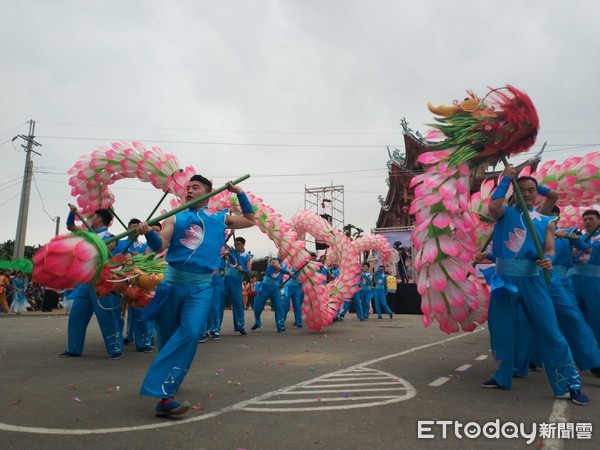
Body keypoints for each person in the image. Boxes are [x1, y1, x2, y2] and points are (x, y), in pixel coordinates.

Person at [136, 175, 255, 416]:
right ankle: (166, 393)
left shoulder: (220, 218)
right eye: (187, 187)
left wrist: (239, 193)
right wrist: (148, 233)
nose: (189, 190)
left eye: (195, 187)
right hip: (170, 286)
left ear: (209, 193)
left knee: (191, 332)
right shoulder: (175, 216)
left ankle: (162, 391)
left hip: (201, 288)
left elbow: (250, 220)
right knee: (168, 339)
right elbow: (160, 246)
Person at [482, 165, 589, 405]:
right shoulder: (504, 214)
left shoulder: (545, 220)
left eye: (531, 190)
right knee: (501, 331)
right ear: (515, 192)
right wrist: (506, 180)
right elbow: (493, 206)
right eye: (522, 190)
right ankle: (502, 376)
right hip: (503, 282)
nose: (527, 194)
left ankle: (569, 384)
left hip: (534, 281)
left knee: (550, 331)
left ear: (536, 193)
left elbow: (549, 249)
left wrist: (548, 260)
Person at [59, 205, 124, 360]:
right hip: (85, 282)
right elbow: (70, 226)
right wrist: (72, 213)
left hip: (101, 283)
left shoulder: (111, 238)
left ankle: (115, 349)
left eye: (92, 216)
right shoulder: (87, 233)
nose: (88, 218)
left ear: (99, 218)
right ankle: (74, 348)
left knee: (106, 316)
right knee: (76, 315)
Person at [571, 209, 600, 343]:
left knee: (594, 313)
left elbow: (591, 251)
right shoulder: (578, 238)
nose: (587, 222)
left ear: (598, 221)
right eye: (585, 219)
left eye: (591, 219)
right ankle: (582, 344)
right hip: (575, 279)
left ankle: (595, 346)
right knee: (576, 313)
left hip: (594, 280)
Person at [251, 248, 290, 333]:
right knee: (257, 306)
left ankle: (281, 326)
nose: (281, 254)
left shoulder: (285, 265)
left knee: (279, 307)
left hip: (275, 289)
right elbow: (278, 268)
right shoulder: (273, 260)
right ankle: (257, 321)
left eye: (283, 253)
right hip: (266, 287)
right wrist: (289, 273)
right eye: (280, 252)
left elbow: (280, 276)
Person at [223, 236, 253, 335]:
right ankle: (214, 328)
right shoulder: (231, 251)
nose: (236, 245)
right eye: (235, 243)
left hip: (236, 280)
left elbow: (249, 272)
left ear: (243, 244)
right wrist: (231, 233)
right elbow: (223, 242)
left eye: (238, 244)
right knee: (218, 302)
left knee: (238, 304)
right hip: (225, 279)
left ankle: (240, 326)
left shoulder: (247, 256)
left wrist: (242, 270)